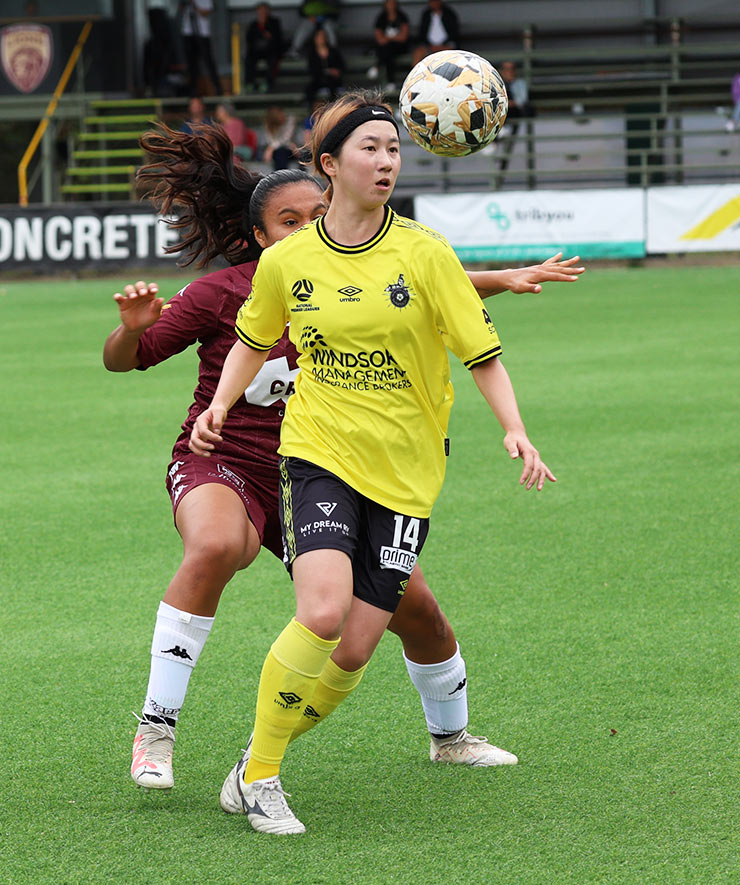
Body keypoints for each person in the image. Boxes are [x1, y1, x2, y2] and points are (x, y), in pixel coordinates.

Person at [106, 124, 583, 797]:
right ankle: (157, 727)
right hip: (233, 464)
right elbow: (129, 357)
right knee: (218, 545)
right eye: (288, 220)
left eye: (314, 213)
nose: (307, 227)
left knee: (414, 607)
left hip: (334, 465)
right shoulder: (229, 292)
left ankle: (450, 736)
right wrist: (131, 330)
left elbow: (415, 280)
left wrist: (504, 278)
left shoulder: (362, 261)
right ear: (263, 236)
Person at [180, 0, 221, 96]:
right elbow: (180, 10)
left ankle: (217, 87)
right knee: (191, 63)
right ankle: (192, 89)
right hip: (188, 32)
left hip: (202, 33)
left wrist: (194, 4)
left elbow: (206, 12)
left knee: (208, 61)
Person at [367, 0, 409, 91]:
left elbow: (403, 37)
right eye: (389, 3)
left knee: (388, 49)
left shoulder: (402, 16)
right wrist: (392, 38)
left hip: (399, 47)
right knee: (388, 51)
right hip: (387, 48)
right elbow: (379, 39)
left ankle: (377, 66)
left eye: (393, 3)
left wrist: (388, 38)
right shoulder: (381, 17)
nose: (391, 6)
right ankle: (391, 82)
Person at [244, 2, 284, 93]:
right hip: (256, 51)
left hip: (270, 50)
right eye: (260, 10)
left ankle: (268, 84)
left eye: (265, 10)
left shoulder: (274, 22)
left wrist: (270, 36)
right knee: (248, 59)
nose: (263, 12)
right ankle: (250, 84)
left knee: (273, 60)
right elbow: (249, 39)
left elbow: (279, 40)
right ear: (257, 11)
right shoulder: (253, 24)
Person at [412, 0, 459, 66]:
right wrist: (431, 45)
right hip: (429, 46)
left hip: (446, 45)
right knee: (418, 53)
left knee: (450, 52)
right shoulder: (426, 14)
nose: (434, 3)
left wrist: (441, 46)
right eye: (432, 1)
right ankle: (417, 75)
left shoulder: (449, 14)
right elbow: (422, 34)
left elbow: (454, 33)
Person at [305, 27, 345, 105]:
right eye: (319, 37)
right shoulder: (312, 53)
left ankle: (334, 107)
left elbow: (342, 66)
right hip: (319, 79)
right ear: (314, 38)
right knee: (309, 90)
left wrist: (336, 71)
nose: (321, 39)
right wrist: (323, 72)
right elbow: (311, 69)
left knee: (334, 88)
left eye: (323, 36)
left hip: (333, 79)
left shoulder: (333, 51)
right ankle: (311, 109)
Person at [261, 104, 298, 170]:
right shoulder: (269, 125)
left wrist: (271, 149)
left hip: (292, 150)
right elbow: (270, 140)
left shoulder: (290, 120)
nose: (283, 115)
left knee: (281, 152)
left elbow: (286, 139)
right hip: (277, 151)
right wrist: (271, 148)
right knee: (279, 153)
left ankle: (281, 176)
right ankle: (282, 176)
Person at [499, 60, 532, 135]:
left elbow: (521, 101)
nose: (509, 72)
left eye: (511, 69)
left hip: (515, 112)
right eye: (506, 69)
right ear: (502, 71)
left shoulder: (520, 83)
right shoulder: (498, 84)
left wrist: (506, 103)